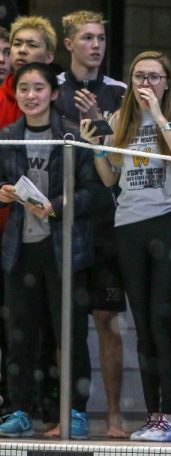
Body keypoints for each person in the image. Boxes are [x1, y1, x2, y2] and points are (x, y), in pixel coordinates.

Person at [82, 51, 171, 442]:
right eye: (138, 77)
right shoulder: (120, 118)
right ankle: (153, 415)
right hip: (129, 223)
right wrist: (98, 146)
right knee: (143, 327)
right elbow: (110, 178)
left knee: (163, 321)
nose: (145, 83)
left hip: (169, 220)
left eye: (153, 76)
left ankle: (168, 415)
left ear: (167, 81)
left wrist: (161, 118)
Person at [0, 63, 101, 440]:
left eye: (38, 88)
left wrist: (56, 204)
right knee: (19, 336)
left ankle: (75, 412)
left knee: (70, 335)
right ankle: (20, 409)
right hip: (19, 250)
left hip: (63, 249)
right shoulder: (7, 136)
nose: (31, 95)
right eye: (23, 88)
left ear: (53, 93)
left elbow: (95, 193)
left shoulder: (71, 136)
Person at [54, 10, 128, 439]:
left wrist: (99, 119)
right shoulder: (52, 90)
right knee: (67, 321)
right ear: (69, 44)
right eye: (87, 38)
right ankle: (70, 410)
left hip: (107, 219)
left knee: (107, 318)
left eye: (101, 38)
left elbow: (122, 149)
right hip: (65, 218)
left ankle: (115, 414)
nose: (96, 45)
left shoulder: (119, 92)